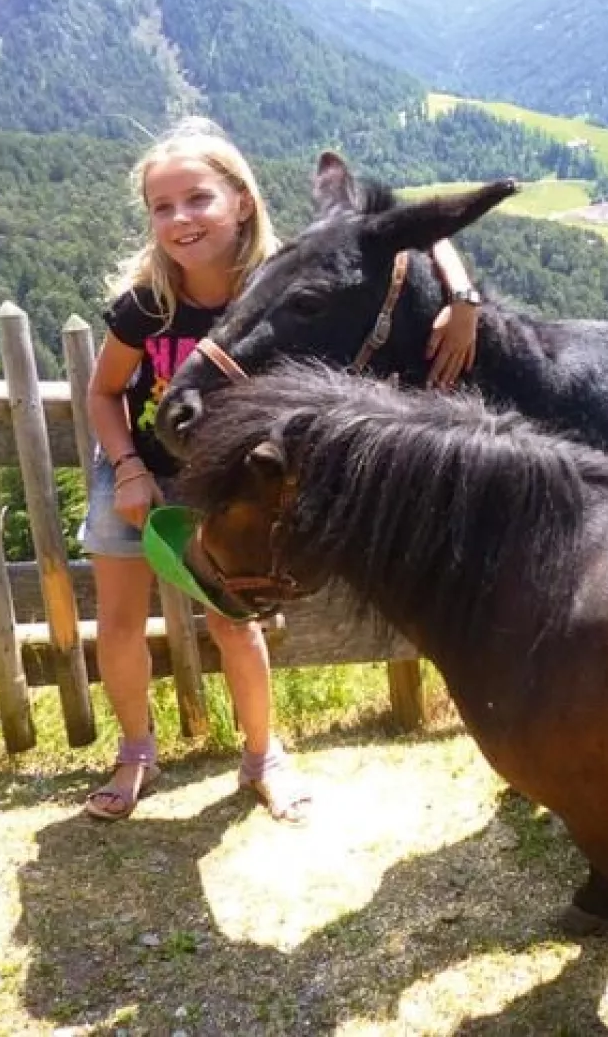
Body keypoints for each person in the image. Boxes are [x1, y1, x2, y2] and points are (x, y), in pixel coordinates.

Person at [80, 119, 481, 822]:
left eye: (197, 198)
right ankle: (135, 749)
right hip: (136, 466)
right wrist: (129, 471)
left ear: (241, 198)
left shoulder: (277, 279)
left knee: (235, 621)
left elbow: (398, 227)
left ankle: (263, 755)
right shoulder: (147, 303)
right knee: (119, 621)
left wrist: (462, 294)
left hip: (220, 479)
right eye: (161, 207)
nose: (179, 219)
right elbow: (102, 391)